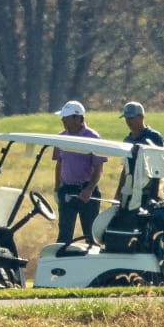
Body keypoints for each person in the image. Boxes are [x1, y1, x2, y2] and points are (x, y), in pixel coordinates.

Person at [52, 100, 106, 245]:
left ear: (77, 118)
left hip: (87, 191)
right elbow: (59, 163)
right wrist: (57, 188)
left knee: (90, 235)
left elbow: (98, 167)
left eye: (66, 117)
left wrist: (89, 189)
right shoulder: (61, 136)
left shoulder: (92, 137)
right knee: (64, 235)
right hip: (67, 190)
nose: (62, 120)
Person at [114, 101, 164, 205]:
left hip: (150, 192)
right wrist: (118, 193)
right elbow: (125, 169)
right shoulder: (127, 139)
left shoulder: (154, 137)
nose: (128, 121)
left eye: (131, 118)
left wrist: (154, 195)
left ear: (141, 116)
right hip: (130, 191)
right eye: (126, 118)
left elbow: (159, 167)